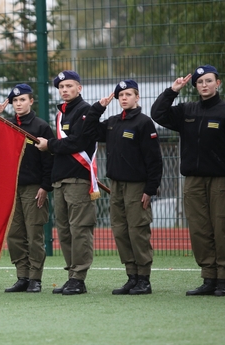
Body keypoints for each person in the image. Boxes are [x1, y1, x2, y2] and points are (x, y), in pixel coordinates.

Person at [151, 65, 225, 297]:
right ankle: (208, 278)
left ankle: (223, 281)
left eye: (209, 81)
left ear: (218, 83)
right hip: (193, 181)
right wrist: (172, 91)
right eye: (200, 82)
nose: (204, 85)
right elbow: (158, 114)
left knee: (220, 230)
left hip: (221, 181)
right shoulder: (186, 110)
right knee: (199, 231)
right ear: (195, 86)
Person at [87, 80, 162, 295]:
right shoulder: (112, 122)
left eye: (128, 94)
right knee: (120, 230)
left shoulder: (143, 123)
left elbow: (154, 160)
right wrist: (98, 107)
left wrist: (150, 189)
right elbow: (90, 130)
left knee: (138, 230)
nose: (124, 98)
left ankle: (144, 279)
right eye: (121, 95)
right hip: (116, 185)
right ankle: (132, 276)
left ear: (137, 97)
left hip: (137, 186)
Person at [35, 71, 98, 295]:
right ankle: (72, 275)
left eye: (69, 86)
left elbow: (79, 142)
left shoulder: (85, 111)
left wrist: (49, 145)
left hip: (78, 179)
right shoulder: (62, 113)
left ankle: (79, 278)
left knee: (79, 229)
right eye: (61, 86)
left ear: (79, 88)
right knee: (64, 231)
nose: (64, 90)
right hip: (61, 180)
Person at [0, 84, 54, 293]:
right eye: (15, 101)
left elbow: (49, 161)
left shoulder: (40, 126)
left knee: (34, 233)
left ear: (31, 101)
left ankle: (35, 278)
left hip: (33, 187)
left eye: (22, 100)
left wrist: (45, 186)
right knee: (15, 234)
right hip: (12, 188)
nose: (18, 104)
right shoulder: (7, 124)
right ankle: (22, 276)